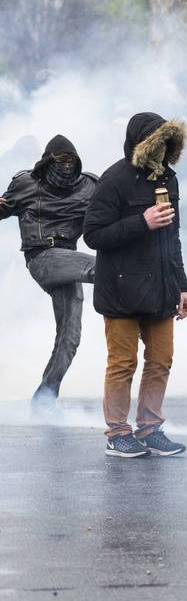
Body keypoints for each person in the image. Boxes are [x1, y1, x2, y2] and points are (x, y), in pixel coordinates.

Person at [82, 113, 187, 459]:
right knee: (123, 363)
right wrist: (141, 222)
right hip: (120, 290)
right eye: (156, 142)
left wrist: (183, 286)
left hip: (161, 287)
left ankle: (150, 428)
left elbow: (173, 238)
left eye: (166, 143)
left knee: (161, 360)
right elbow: (93, 235)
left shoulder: (169, 180)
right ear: (142, 143)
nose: (162, 149)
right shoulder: (113, 180)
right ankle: (117, 433)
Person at [1, 135, 98, 408]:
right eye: (60, 161)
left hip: (69, 259)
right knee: (104, 269)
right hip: (42, 258)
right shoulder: (25, 183)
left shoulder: (91, 185)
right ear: (47, 162)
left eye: (71, 161)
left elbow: (110, 214)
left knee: (71, 336)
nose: (66, 167)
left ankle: (44, 398)